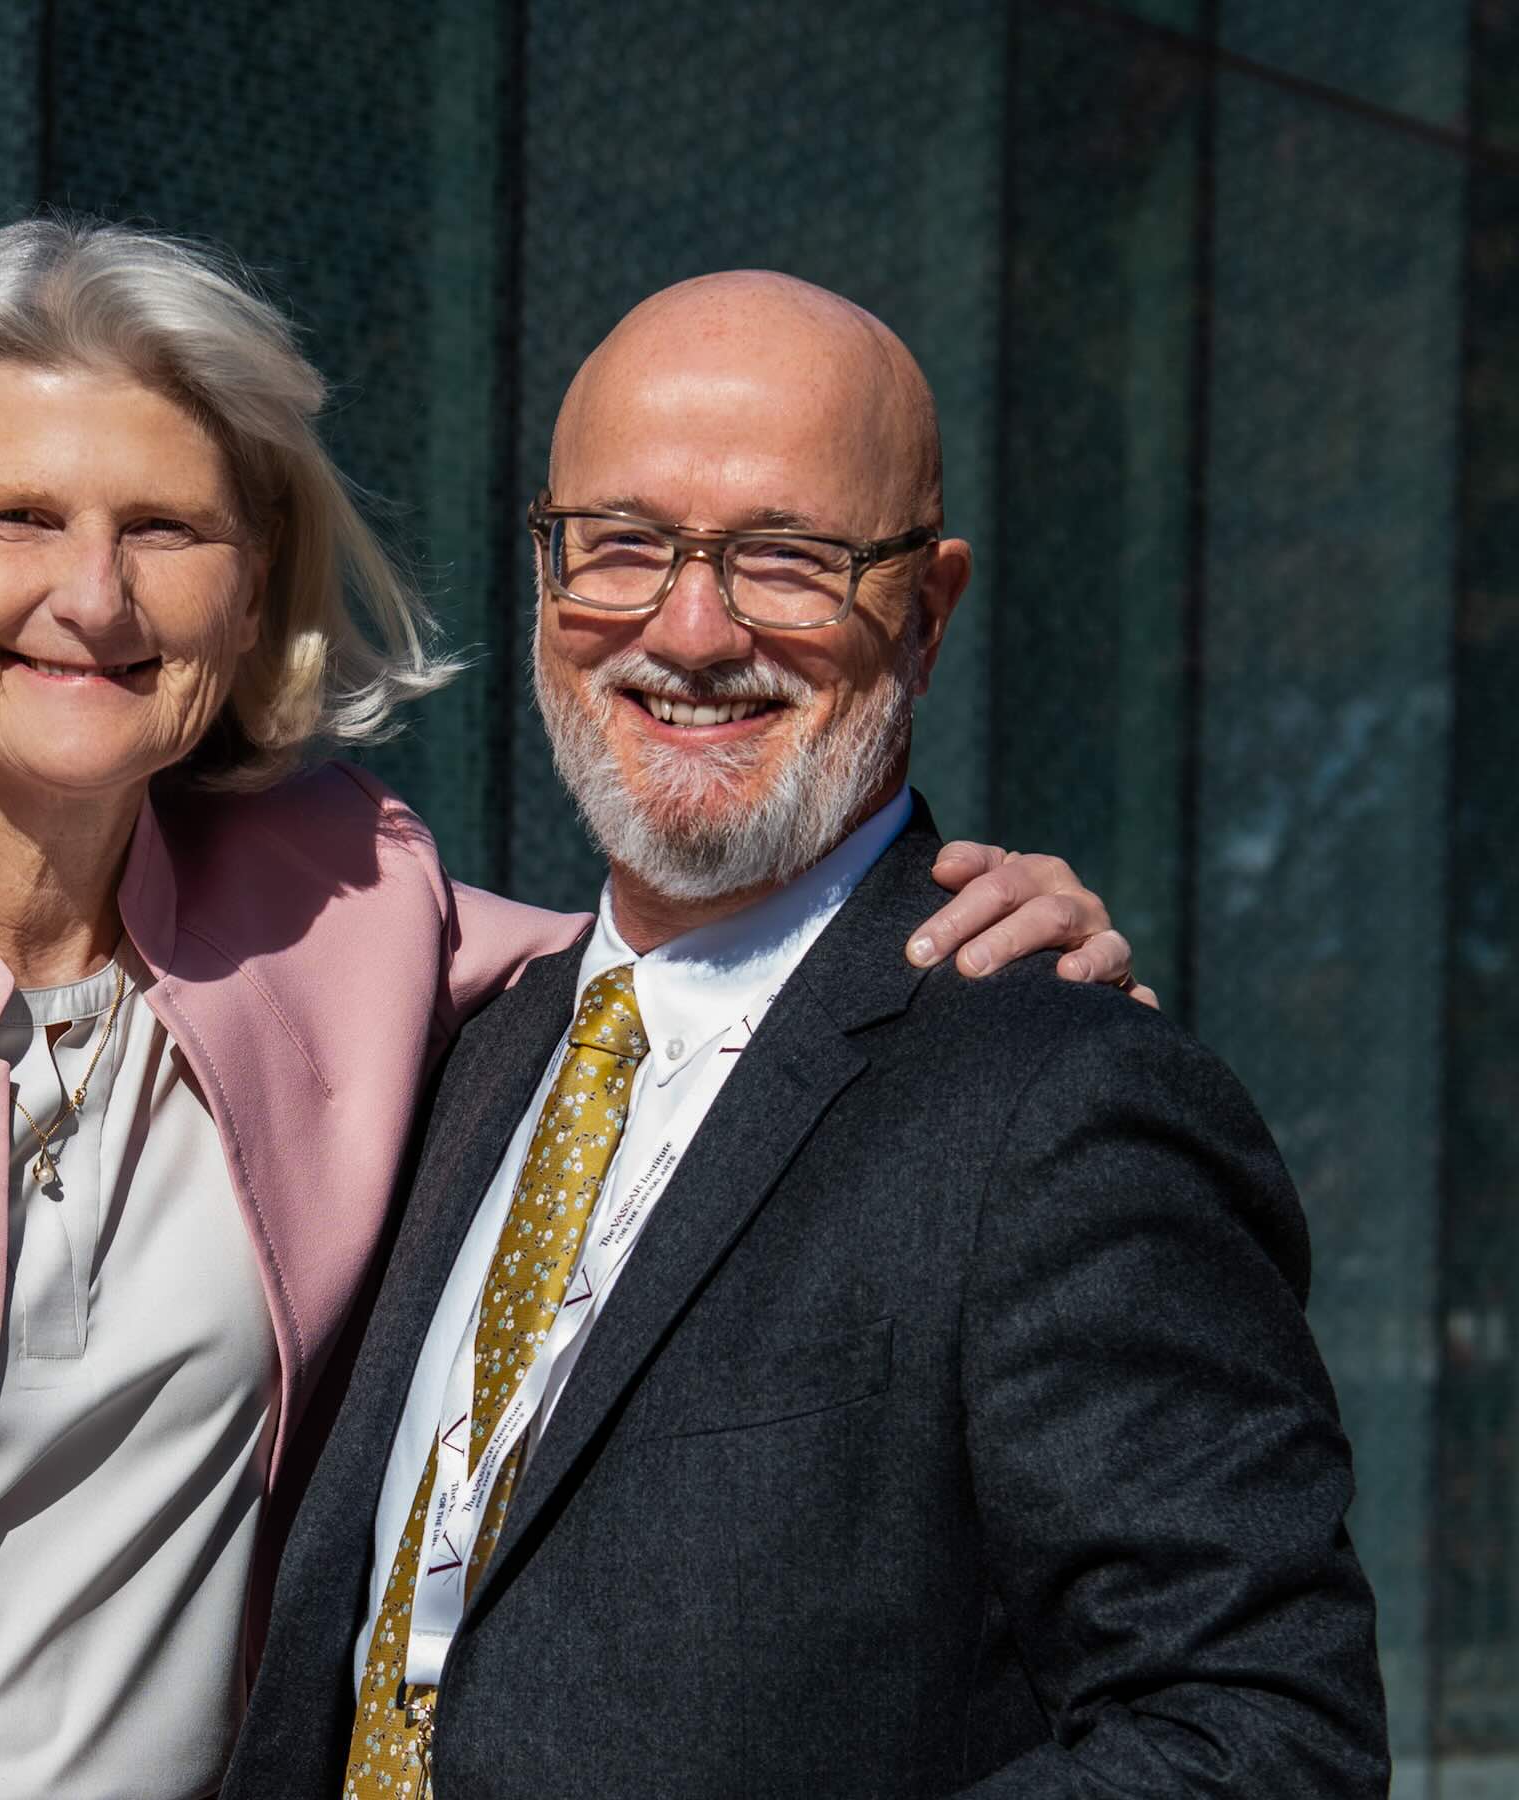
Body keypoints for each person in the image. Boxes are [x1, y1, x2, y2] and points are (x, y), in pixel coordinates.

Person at [0, 224, 1139, 1800]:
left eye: (165, 528)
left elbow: (701, 971)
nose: (92, 597)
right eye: (19, 515)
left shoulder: (341, 913)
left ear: (250, 590)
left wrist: (954, 906)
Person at [225, 271, 1388, 1798]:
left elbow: (1260, 1735)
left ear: (929, 611)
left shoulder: (1063, 1100)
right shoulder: (455, 1051)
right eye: (624, 546)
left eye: (786, 558)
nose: (691, 629)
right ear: (545, 566)